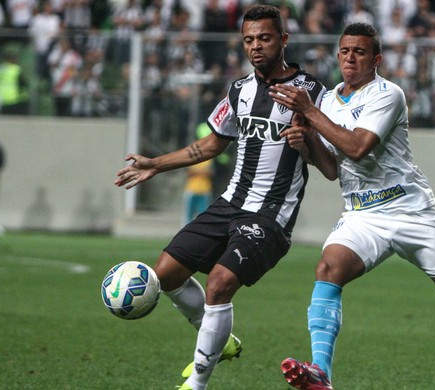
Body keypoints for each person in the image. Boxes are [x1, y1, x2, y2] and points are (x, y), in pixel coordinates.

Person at [269, 23, 435, 390]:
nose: (351, 58)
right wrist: (306, 144)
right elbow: (334, 168)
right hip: (362, 213)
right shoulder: (330, 100)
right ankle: (321, 372)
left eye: (360, 52)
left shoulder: (388, 94)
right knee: (328, 268)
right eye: (345, 51)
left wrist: (309, 113)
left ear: (376, 59)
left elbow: (357, 147)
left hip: (410, 208)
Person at [114, 5, 327, 390]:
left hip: (270, 215)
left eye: (264, 38)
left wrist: (308, 140)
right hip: (230, 203)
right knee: (165, 275)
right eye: (249, 40)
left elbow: (328, 161)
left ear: (284, 39)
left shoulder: (311, 92)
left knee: (219, 284)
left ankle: (196, 383)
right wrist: (156, 164)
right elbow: (211, 144)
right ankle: (221, 340)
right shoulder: (239, 90)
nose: (256, 47)